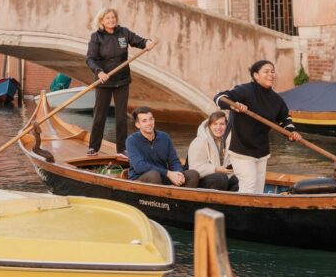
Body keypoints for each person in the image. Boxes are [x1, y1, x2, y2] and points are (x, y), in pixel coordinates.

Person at [214, 60, 302, 194]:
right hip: (240, 146)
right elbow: (220, 97)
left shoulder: (276, 99)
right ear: (255, 75)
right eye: (266, 72)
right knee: (249, 184)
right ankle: (242, 214)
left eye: (272, 71)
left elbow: (285, 118)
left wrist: (291, 132)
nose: (271, 74)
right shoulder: (245, 90)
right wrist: (234, 105)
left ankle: (254, 213)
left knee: (259, 188)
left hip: (261, 149)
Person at [85, 8, 154, 156]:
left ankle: (122, 149)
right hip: (104, 81)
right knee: (99, 115)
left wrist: (147, 42)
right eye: (107, 18)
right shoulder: (96, 37)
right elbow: (90, 58)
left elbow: (138, 41)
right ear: (102, 21)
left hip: (122, 80)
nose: (111, 20)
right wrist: (99, 72)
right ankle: (93, 147)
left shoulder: (123, 33)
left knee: (121, 117)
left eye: (113, 17)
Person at [126, 107, 199, 187]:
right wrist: (168, 173)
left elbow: (174, 160)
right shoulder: (131, 141)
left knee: (193, 174)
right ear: (137, 125)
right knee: (154, 175)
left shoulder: (164, 137)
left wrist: (179, 174)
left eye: (151, 119)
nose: (149, 123)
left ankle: (182, 198)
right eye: (144, 121)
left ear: (154, 120)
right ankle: (158, 199)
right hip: (140, 178)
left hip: (163, 176)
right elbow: (140, 166)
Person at [187, 111, 239, 191]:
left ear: (226, 125)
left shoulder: (228, 140)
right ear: (209, 125)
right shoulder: (199, 142)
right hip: (202, 180)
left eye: (222, 124)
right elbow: (195, 168)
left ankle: (229, 202)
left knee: (241, 179)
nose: (218, 127)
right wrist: (215, 169)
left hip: (224, 176)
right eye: (215, 124)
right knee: (221, 178)